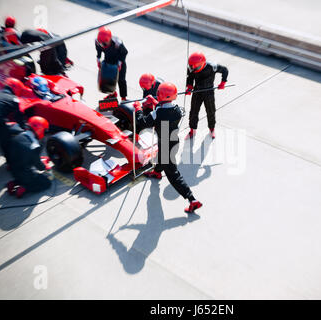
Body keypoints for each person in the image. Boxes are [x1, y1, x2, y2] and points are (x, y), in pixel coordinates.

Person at [134, 82, 202, 214]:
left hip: (165, 145)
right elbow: (165, 111)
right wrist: (154, 101)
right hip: (173, 142)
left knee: (173, 175)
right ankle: (157, 172)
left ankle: (192, 200)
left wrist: (138, 109)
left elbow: (141, 123)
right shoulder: (177, 109)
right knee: (161, 157)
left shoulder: (157, 113)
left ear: (161, 95)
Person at [185, 52, 228, 139]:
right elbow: (189, 78)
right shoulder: (192, 67)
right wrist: (189, 87)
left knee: (211, 111)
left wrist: (223, 82)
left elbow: (225, 70)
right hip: (197, 91)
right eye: (191, 67)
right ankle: (192, 130)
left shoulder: (212, 66)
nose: (192, 69)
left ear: (202, 64)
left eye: (194, 67)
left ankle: (212, 129)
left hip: (209, 91)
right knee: (193, 111)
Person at [6, 116, 51, 198]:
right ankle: (25, 188)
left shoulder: (17, 136)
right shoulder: (34, 146)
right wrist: (45, 166)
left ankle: (14, 183)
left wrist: (36, 158)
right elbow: (40, 167)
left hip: (13, 170)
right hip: (25, 174)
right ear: (40, 129)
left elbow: (24, 154)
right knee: (46, 183)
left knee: (22, 172)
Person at [0, 77, 26, 165]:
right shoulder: (13, 98)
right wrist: (23, 128)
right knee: (6, 143)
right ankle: (10, 162)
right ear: (15, 88)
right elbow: (18, 116)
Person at [95, 27, 128, 100]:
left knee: (121, 80)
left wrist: (119, 63)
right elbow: (98, 50)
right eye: (101, 43)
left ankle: (123, 98)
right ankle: (113, 93)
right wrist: (98, 59)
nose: (103, 45)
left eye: (105, 43)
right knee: (108, 78)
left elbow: (124, 52)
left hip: (119, 61)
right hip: (108, 59)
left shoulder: (117, 43)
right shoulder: (98, 41)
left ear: (109, 39)